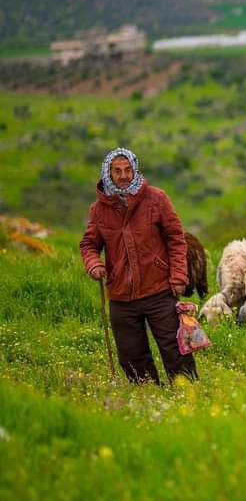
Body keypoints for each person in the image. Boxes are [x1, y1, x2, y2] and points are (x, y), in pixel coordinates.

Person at [79, 148, 198, 384]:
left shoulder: (156, 199)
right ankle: (148, 394)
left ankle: (187, 392)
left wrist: (178, 276)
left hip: (159, 290)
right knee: (131, 355)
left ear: (135, 170)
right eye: (117, 171)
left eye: (128, 170)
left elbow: (176, 238)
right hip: (121, 295)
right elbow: (89, 244)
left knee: (175, 348)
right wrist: (93, 264)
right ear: (108, 173)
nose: (123, 175)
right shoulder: (98, 210)